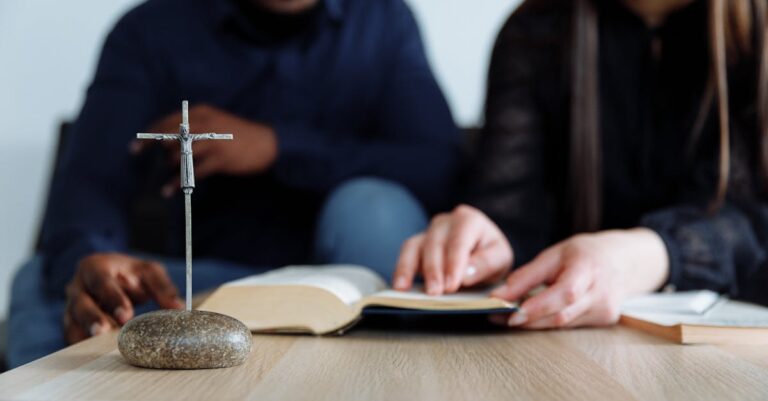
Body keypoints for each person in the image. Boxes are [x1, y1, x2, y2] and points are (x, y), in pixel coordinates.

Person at [6, 0, 458, 367]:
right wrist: (91, 258)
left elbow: (437, 166)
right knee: (42, 281)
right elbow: (89, 184)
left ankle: (400, 373)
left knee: (373, 205)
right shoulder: (151, 30)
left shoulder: (383, 22)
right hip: (208, 284)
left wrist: (279, 148)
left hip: (342, 279)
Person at [393, 0, 768, 329]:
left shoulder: (758, 32)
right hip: (567, 344)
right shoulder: (534, 31)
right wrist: (482, 240)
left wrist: (646, 255)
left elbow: (756, 221)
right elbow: (510, 210)